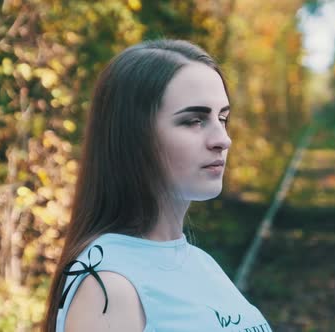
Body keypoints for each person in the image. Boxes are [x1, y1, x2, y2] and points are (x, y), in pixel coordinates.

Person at [43, 39, 272, 332]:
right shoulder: (109, 288)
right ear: (134, 137)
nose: (222, 139)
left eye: (222, 118)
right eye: (194, 121)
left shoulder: (196, 261)